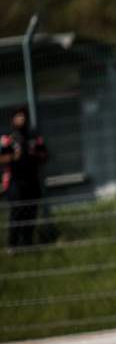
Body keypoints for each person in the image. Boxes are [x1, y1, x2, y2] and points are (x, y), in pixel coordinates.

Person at [1, 107, 48, 250]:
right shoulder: (7, 138)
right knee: (17, 211)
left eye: (23, 117)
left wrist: (34, 156)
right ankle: (12, 245)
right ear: (12, 119)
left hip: (32, 179)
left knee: (31, 210)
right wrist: (14, 156)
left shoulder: (33, 136)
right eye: (18, 117)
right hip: (14, 180)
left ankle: (28, 243)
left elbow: (45, 154)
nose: (21, 119)